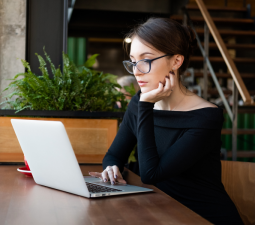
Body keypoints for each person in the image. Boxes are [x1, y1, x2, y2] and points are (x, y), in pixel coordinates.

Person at [89, 18, 243, 225]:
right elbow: (114, 155)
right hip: (159, 211)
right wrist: (111, 168)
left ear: (176, 62)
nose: (136, 70)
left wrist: (146, 106)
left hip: (202, 216)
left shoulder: (206, 116)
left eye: (146, 60)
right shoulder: (138, 103)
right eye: (133, 61)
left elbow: (152, 174)